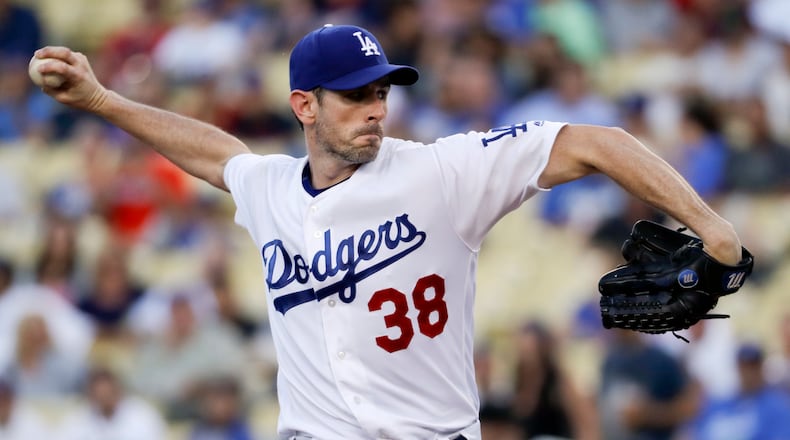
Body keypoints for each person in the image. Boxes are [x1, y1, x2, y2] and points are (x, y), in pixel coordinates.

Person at [32, 23, 745, 439]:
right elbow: (217, 154)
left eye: (381, 91)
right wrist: (101, 99)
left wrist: (711, 227)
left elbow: (596, 140)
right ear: (304, 106)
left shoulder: (443, 173)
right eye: (354, 96)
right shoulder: (273, 188)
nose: (375, 108)